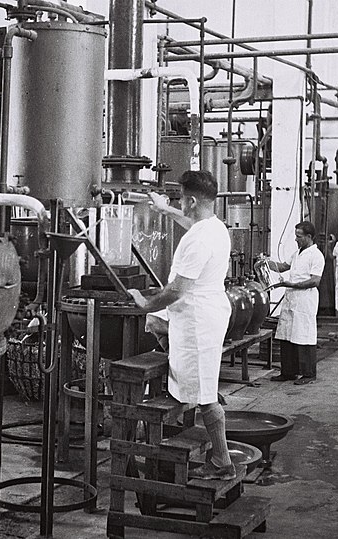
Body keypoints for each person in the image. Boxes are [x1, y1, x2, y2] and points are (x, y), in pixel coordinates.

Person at [128, 170, 235, 481]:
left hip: (198, 319)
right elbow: (191, 223)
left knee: (205, 393)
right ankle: (172, 366)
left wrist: (145, 302)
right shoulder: (215, 227)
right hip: (206, 311)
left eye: (179, 198)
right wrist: (165, 209)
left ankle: (222, 461)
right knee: (157, 324)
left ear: (191, 200)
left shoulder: (199, 241)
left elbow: (176, 291)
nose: (179, 203)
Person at [264, 221, 325, 385]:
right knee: (287, 334)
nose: (296, 239)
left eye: (299, 236)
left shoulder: (316, 255)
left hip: (305, 298)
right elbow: (284, 267)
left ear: (309, 237)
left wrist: (292, 285)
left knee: (303, 335)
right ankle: (288, 372)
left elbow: (315, 281)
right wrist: (266, 262)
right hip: (292, 297)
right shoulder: (297, 253)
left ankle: (309, 373)